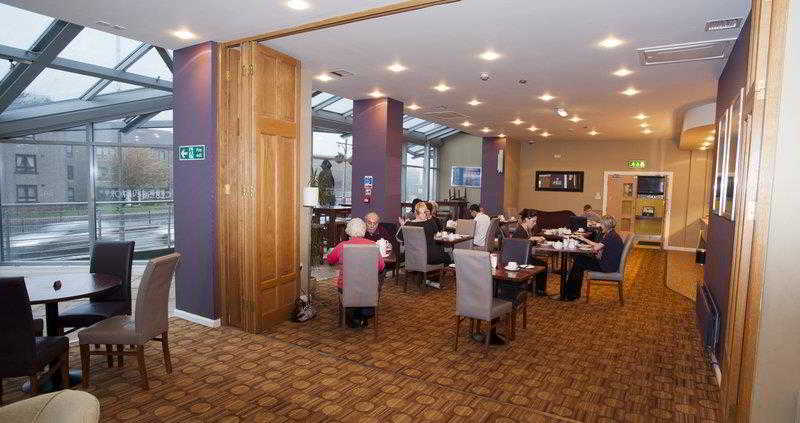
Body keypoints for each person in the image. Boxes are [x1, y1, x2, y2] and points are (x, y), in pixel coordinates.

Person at [326, 218, 385, 327]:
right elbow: (381, 267)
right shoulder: (374, 245)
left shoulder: (342, 246)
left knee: (346, 286)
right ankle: (362, 313)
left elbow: (330, 260)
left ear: (348, 231)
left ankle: (353, 315)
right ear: (363, 230)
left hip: (347, 288)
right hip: (368, 289)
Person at [564, 215, 624, 301]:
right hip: (608, 263)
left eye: (601, 224)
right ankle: (572, 294)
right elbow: (598, 246)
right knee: (579, 260)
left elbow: (596, 248)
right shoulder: (612, 234)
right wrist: (584, 239)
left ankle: (571, 294)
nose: (600, 226)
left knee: (578, 260)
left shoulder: (610, 236)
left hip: (606, 266)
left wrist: (584, 240)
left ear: (606, 225)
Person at [397, 201, 451, 288]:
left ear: (415, 213)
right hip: (429, 258)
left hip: (411, 257)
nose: (426, 214)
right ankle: (431, 279)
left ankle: (423, 278)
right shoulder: (430, 223)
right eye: (425, 212)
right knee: (447, 257)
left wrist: (402, 226)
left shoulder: (407, 224)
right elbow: (437, 234)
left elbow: (398, 239)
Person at [510, 209, 548, 296]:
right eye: (533, 221)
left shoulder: (526, 229)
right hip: (519, 259)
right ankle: (539, 289)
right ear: (526, 219)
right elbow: (523, 245)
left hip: (524, 256)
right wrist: (533, 239)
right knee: (543, 265)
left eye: (535, 221)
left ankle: (536, 288)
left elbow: (527, 242)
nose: (535, 223)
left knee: (542, 264)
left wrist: (534, 240)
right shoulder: (520, 231)